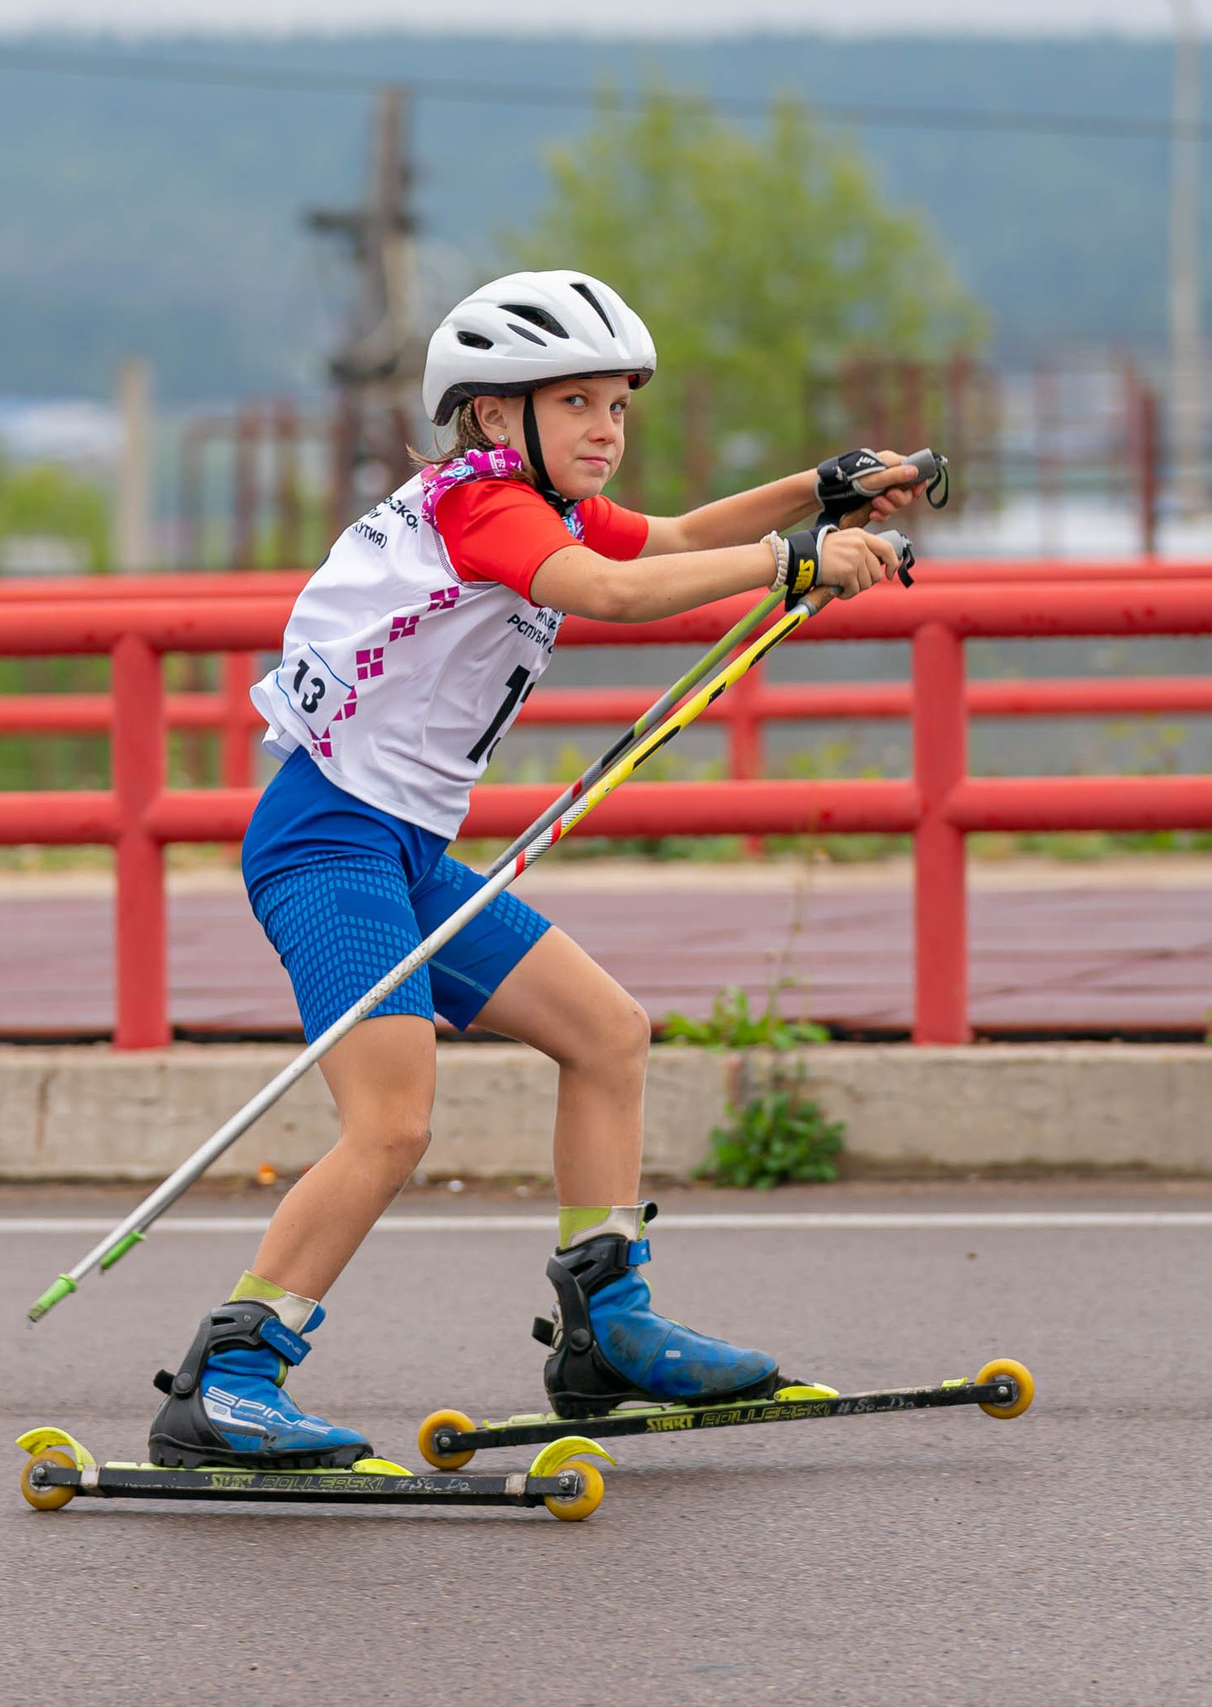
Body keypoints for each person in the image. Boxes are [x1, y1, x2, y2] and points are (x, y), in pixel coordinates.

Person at [150, 269, 922, 1469]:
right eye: (579, 404)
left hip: (401, 850)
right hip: (328, 844)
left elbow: (664, 541)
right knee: (392, 1127)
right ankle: (232, 1378)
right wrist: (793, 563)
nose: (608, 429)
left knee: (606, 1033)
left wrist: (818, 492)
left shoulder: (531, 494)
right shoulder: (487, 510)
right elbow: (613, 591)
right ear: (499, 415)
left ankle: (606, 1337)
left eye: (619, 404)